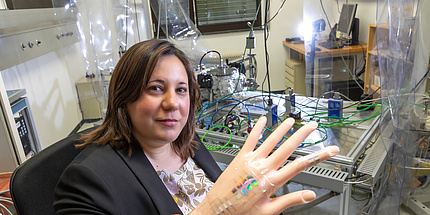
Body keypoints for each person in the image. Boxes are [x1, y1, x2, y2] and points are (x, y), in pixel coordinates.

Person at [54, 39, 339, 215]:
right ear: (124, 96)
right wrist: (215, 210)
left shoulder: (186, 142)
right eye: (155, 88)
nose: (173, 103)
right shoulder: (87, 181)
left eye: (181, 90)